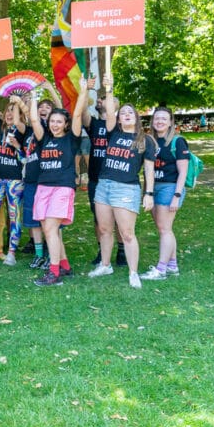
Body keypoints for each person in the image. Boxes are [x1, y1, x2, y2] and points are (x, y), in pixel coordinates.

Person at [87, 74, 156, 288]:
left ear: (136, 117)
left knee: (126, 233)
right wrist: (108, 88)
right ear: (118, 118)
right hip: (104, 185)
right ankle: (105, 265)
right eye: (122, 112)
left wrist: (149, 193)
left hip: (126, 189)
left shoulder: (145, 140)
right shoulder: (113, 133)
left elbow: (149, 170)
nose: (126, 115)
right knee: (105, 230)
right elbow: (109, 110)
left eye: (130, 112)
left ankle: (133, 272)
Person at [30, 79, 89, 286]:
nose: (54, 124)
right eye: (52, 121)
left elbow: (78, 113)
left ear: (65, 124)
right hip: (43, 187)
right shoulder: (43, 138)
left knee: (50, 229)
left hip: (62, 187)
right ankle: (64, 266)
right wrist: (33, 97)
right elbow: (34, 121)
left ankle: (53, 272)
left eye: (59, 121)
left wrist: (83, 91)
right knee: (50, 229)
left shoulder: (71, 138)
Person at [140, 106, 189, 280]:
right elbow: (148, 169)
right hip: (155, 187)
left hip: (170, 187)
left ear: (170, 122)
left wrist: (176, 195)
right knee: (165, 229)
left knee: (164, 229)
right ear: (153, 121)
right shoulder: (150, 141)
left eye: (164, 119)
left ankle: (161, 270)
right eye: (157, 118)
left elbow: (183, 171)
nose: (160, 121)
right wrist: (147, 191)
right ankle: (172, 265)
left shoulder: (177, 141)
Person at [82, 85, 127, 267]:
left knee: (118, 218)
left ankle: (122, 250)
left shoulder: (121, 125)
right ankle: (103, 249)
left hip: (116, 178)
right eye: (100, 100)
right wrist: (85, 90)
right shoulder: (93, 124)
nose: (101, 101)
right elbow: (82, 111)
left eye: (107, 99)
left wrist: (109, 91)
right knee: (99, 218)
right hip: (95, 179)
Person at [0, 97, 27, 266]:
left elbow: (25, 159)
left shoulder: (22, 131)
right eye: (8, 110)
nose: (10, 114)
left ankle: (12, 253)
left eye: (14, 111)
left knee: (15, 215)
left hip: (15, 181)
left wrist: (16, 146)